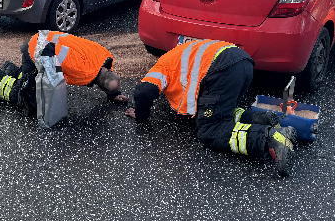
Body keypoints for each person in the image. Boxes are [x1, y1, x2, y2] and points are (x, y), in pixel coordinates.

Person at [125, 39, 297, 177]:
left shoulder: (161, 66)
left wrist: (141, 115)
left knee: (211, 130)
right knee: (224, 111)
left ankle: (269, 138)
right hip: (242, 62)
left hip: (222, 70)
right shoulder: (180, 55)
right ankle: (266, 119)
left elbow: (144, 91)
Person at [0, 30, 127, 115]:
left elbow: (106, 78)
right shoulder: (82, 70)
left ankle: (10, 69)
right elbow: (54, 68)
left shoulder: (104, 57)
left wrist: (113, 94)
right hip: (36, 51)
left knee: (28, 81)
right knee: (25, 97)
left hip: (44, 38)